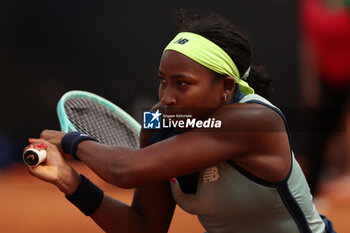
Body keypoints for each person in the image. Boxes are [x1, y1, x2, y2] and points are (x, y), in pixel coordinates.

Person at [26, 11, 335, 233]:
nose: (167, 97)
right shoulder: (157, 124)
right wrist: (69, 180)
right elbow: (144, 228)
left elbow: (125, 169)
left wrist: (72, 141)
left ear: (226, 87)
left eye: (182, 84)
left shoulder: (253, 121)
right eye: (163, 81)